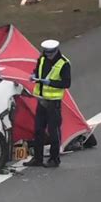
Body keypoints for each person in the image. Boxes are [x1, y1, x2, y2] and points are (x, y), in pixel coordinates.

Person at [24, 39, 71, 168]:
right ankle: (38, 159)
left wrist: (50, 82)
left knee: (53, 132)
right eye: (46, 52)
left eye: (50, 53)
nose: (48, 55)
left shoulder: (64, 64)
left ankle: (54, 159)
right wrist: (34, 75)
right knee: (38, 130)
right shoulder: (42, 58)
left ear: (56, 51)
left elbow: (66, 83)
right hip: (41, 100)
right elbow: (37, 70)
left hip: (54, 102)